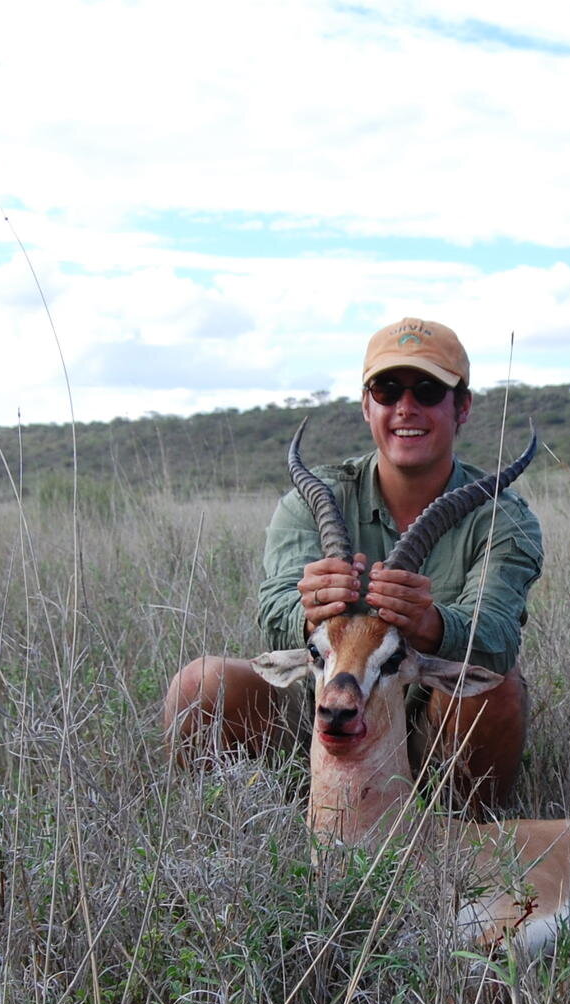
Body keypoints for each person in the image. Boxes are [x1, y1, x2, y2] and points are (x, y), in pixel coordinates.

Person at [164, 316, 543, 811]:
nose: (406, 407)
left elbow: (494, 638)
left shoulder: (502, 517)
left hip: (427, 717)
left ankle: (459, 852)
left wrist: (431, 624)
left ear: (462, 406)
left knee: (495, 689)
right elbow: (274, 616)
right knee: (202, 683)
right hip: (328, 710)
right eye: (387, 390)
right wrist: (308, 611)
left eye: (428, 390)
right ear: (367, 405)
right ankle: (241, 834)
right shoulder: (314, 499)